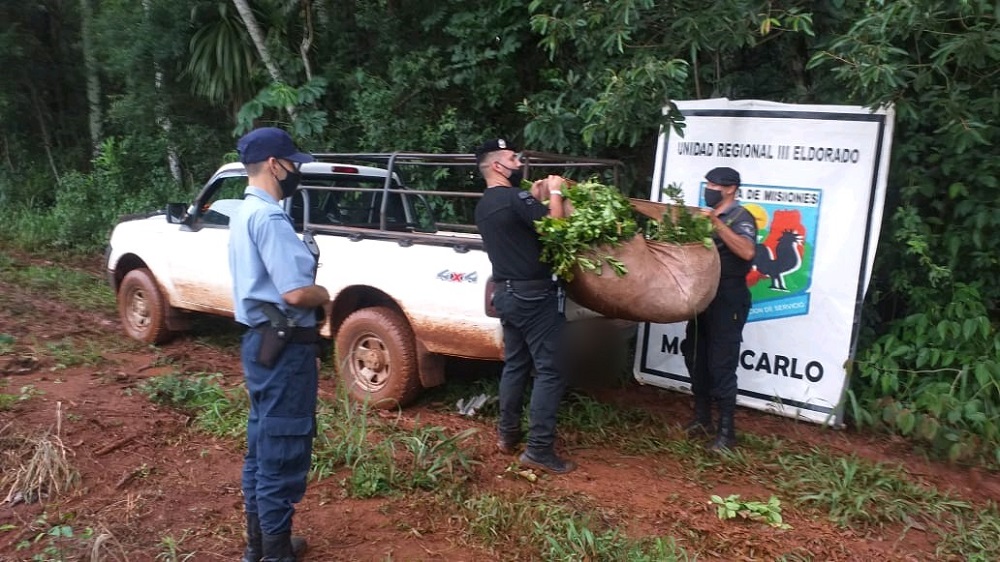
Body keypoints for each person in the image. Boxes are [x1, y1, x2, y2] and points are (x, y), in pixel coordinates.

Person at [229, 127, 330, 562]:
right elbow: (293, 292)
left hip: (261, 343)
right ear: (275, 164)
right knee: (283, 449)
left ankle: (261, 545)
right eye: (293, 162)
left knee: (262, 446)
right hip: (285, 348)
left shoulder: (242, 212)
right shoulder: (269, 218)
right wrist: (324, 293)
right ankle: (274, 553)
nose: (296, 170)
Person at [473, 138, 577, 474]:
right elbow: (556, 230)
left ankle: (507, 435)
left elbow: (521, 225)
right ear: (497, 167)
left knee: (515, 365)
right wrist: (558, 192)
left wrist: (537, 200)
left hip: (506, 294)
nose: (519, 162)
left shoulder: (487, 204)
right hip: (534, 296)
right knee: (550, 369)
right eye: (511, 158)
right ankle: (539, 450)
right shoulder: (513, 198)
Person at [680, 166, 756, 451]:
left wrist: (717, 222)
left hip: (728, 296)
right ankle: (702, 419)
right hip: (703, 295)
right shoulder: (703, 217)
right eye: (707, 183)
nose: (708, 189)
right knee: (695, 354)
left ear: (730, 189)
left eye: (714, 185)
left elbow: (747, 252)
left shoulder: (740, 216)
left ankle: (727, 433)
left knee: (721, 364)